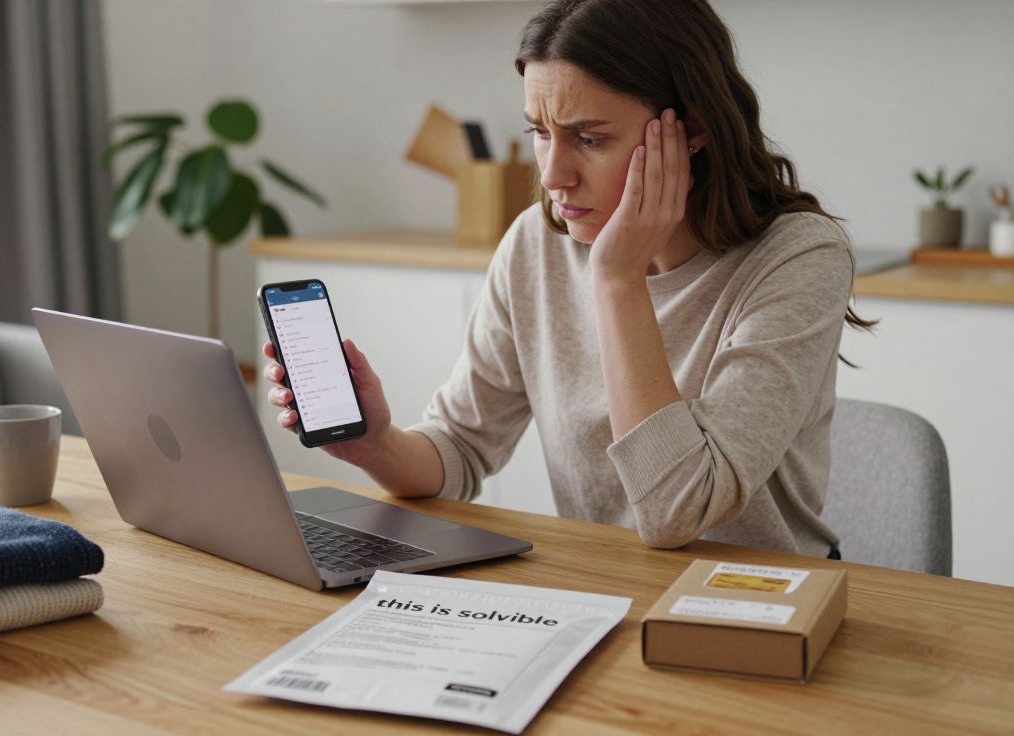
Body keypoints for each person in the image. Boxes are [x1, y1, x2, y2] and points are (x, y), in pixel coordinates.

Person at [263, 0, 872, 559]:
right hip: (607, 588)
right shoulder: (538, 243)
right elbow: (461, 447)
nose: (554, 175)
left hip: (761, 603)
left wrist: (616, 278)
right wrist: (375, 445)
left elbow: (675, 513)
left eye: (590, 138)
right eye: (539, 132)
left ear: (691, 131)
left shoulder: (798, 258)